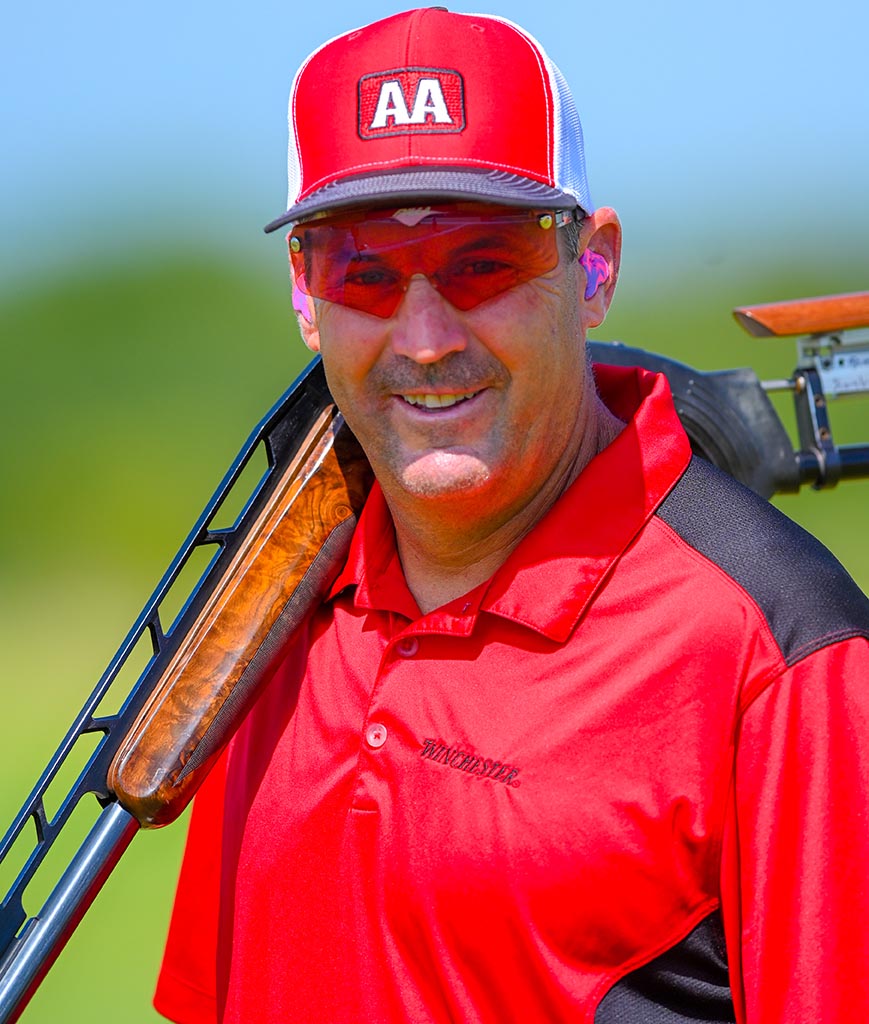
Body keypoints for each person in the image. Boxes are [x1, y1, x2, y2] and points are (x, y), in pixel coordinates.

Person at [153, 9, 869, 1023]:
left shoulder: (783, 648)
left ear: (594, 268)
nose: (426, 337)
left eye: (481, 260)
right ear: (304, 294)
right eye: (360, 268)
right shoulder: (265, 613)